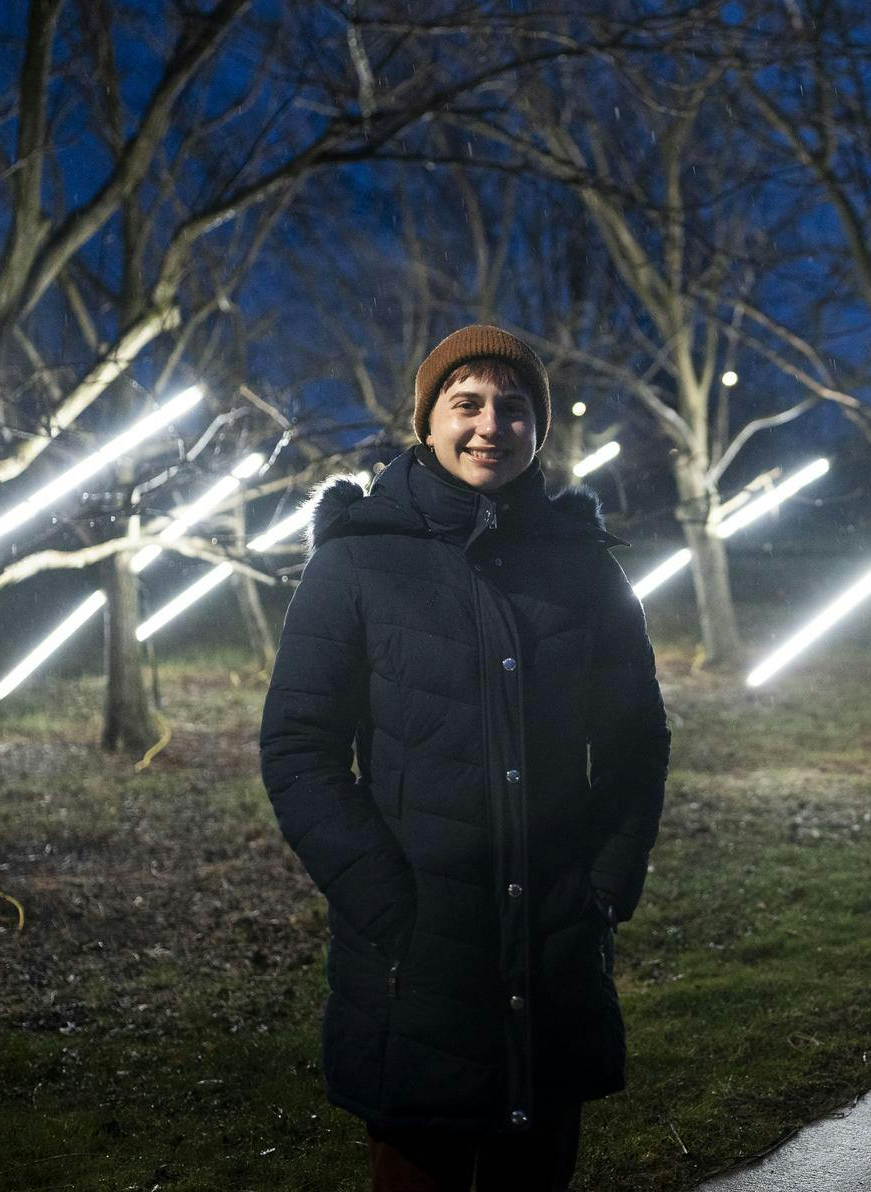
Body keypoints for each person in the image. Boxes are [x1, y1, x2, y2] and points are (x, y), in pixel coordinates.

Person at [259, 325, 670, 1190]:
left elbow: (635, 738)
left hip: (554, 941)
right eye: (467, 403)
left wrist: (603, 884)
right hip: (418, 957)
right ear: (428, 420)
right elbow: (301, 749)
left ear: (539, 429)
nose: (491, 425)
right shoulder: (358, 561)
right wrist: (387, 906)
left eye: (513, 408)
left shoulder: (582, 567)